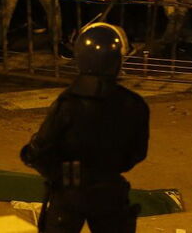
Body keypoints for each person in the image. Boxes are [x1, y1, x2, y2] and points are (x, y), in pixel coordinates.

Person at [21, 22, 149, 233]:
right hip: (109, 189)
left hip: (69, 191)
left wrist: (56, 174)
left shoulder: (69, 103)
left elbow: (40, 150)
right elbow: (137, 153)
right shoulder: (133, 103)